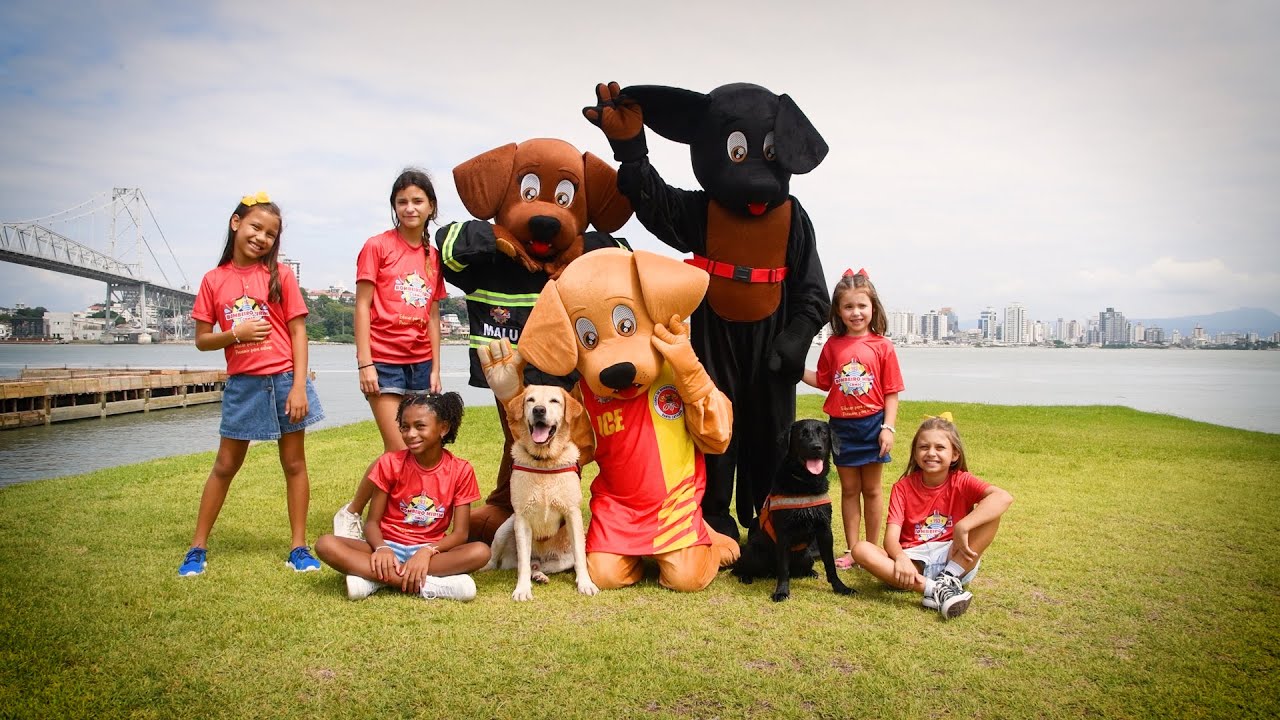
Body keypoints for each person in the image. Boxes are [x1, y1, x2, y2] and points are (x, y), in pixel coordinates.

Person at [178, 191, 325, 577]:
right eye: (255, 227)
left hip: (284, 380)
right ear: (235, 223)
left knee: (294, 464)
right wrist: (236, 333)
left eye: (271, 234)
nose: (261, 238)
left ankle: (298, 547)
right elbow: (202, 340)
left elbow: (298, 332)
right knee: (225, 465)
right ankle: (197, 548)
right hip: (244, 385)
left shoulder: (281, 275)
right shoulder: (214, 280)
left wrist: (298, 386)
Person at [333, 169, 447, 540]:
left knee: (419, 446)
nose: (410, 208)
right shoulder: (377, 246)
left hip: (420, 363)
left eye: (417, 201)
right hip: (383, 360)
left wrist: (435, 368)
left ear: (431, 207)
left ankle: (403, 519)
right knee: (398, 447)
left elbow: (432, 313)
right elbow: (362, 306)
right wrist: (364, 362)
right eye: (402, 202)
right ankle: (352, 513)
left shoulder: (432, 256)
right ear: (394, 207)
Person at [315, 392, 490, 601]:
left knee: (481, 552)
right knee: (325, 544)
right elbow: (372, 523)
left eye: (420, 426)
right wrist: (381, 549)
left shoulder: (461, 470)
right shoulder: (389, 463)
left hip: (430, 552)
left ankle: (375, 579)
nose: (410, 434)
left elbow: (460, 534)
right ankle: (428, 585)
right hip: (387, 545)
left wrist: (427, 551)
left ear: (443, 428)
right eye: (404, 427)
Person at [852, 413, 1014, 619]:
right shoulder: (902, 487)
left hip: (956, 559)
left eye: (940, 447)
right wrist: (901, 558)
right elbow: (891, 538)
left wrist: (962, 527)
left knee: (991, 513)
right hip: (912, 564)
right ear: (915, 453)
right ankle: (933, 590)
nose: (931, 453)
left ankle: (948, 581)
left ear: (955, 454)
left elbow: (1003, 497)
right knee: (861, 549)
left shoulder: (962, 481)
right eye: (924, 447)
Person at [802, 268, 903, 568]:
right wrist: (793, 368)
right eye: (848, 306)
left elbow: (892, 392)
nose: (856, 312)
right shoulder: (832, 345)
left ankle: (872, 550)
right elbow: (823, 381)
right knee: (848, 491)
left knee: (872, 491)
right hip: (841, 429)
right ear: (838, 310)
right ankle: (852, 549)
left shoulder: (883, 346)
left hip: (873, 427)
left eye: (862, 306)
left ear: (873, 307)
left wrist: (888, 428)